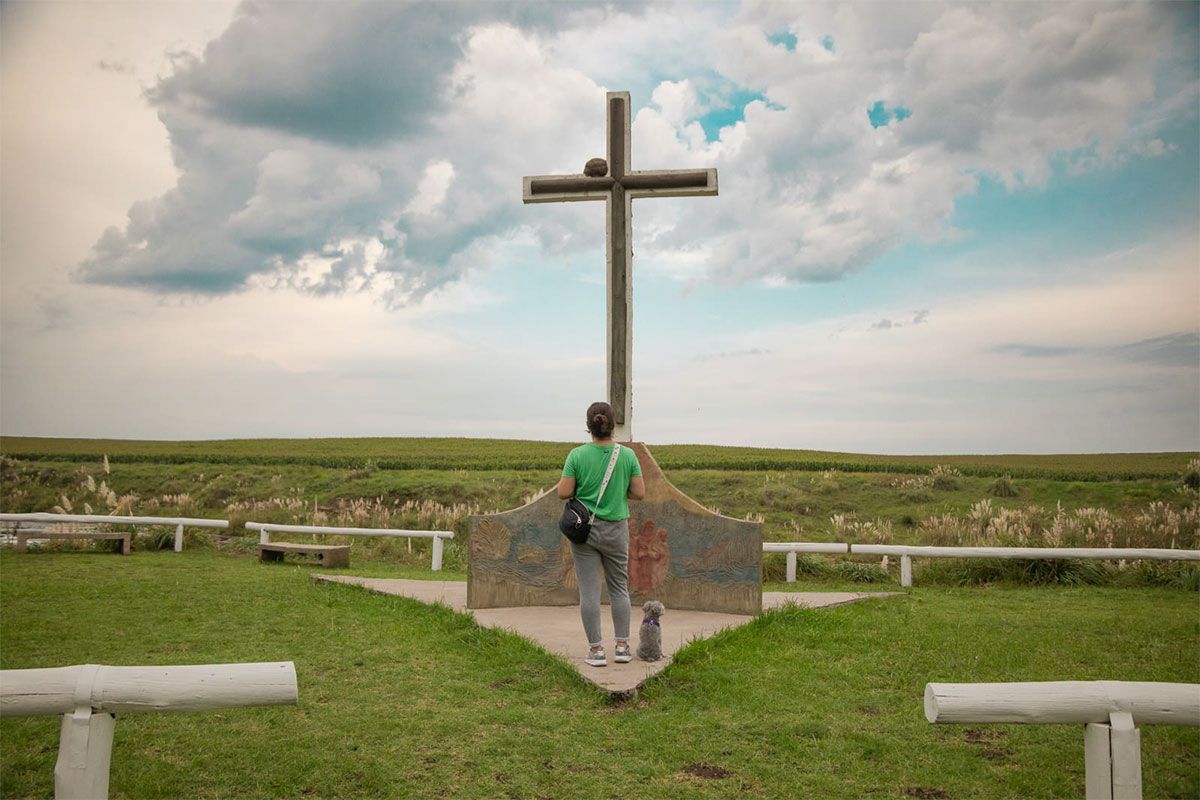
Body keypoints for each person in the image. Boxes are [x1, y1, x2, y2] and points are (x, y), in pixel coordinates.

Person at [556, 401, 646, 667]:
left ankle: (596, 651)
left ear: (589, 426)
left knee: (589, 592)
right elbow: (640, 493)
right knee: (619, 588)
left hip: (585, 531)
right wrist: (618, 493)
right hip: (617, 529)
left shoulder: (577, 455)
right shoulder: (627, 456)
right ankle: (622, 647)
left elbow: (563, 492)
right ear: (612, 425)